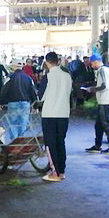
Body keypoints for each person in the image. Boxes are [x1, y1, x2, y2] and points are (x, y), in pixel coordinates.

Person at [40, 51, 72, 182]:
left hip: (49, 114)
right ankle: (62, 171)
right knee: (60, 142)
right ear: (58, 61)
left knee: (50, 144)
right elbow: (69, 93)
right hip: (64, 114)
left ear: (47, 62)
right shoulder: (67, 76)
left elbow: (41, 96)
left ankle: (55, 173)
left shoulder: (47, 77)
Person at [84, 53, 109, 154]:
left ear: (96, 62)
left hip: (106, 101)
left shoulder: (103, 70)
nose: (92, 66)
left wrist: (92, 89)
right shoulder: (108, 69)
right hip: (105, 101)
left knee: (107, 125)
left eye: (92, 64)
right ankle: (97, 146)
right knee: (99, 125)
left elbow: (104, 86)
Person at [0, 60, 37, 141]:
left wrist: (1, 102)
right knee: (23, 124)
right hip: (25, 104)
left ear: (13, 67)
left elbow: (4, 90)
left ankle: (14, 143)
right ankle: (22, 143)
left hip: (13, 104)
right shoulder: (28, 78)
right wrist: (35, 105)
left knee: (12, 124)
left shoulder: (9, 77)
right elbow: (33, 92)